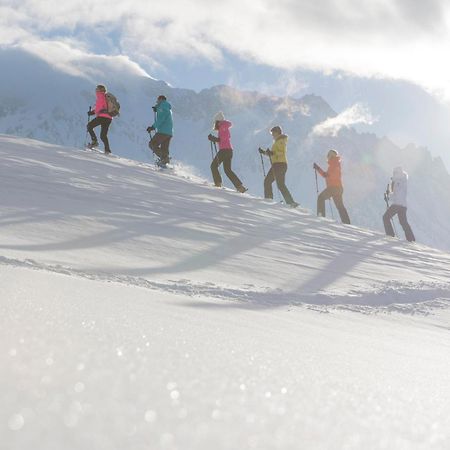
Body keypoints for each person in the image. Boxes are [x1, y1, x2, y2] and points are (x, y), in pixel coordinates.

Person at [259, 126, 298, 207]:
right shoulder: (279, 141)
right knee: (280, 184)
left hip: (278, 165)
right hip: (281, 164)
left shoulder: (280, 141)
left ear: (277, 132)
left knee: (267, 181)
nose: (272, 135)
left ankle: (269, 199)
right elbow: (274, 153)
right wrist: (264, 152)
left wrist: (272, 153)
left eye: (273, 133)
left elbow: (281, 152)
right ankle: (291, 202)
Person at [207, 112, 247, 193]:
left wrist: (214, 139)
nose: (215, 124)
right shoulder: (224, 126)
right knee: (228, 170)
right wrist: (214, 139)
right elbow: (223, 139)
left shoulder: (223, 127)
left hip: (224, 150)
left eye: (215, 122)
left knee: (213, 166)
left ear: (218, 121)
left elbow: (223, 139)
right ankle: (240, 187)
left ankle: (218, 183)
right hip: (229, 151)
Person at [313, 149, 351, 224]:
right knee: (340, 206)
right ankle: (346, 222)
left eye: (328, 155)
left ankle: (321, 216)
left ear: (331, 156)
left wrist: (319, 169)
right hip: (338, 188)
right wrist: (318, 169)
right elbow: (327, 175)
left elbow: (330, 174)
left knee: (321, 198)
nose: (327, 157)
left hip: (333, 188)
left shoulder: (334, 163)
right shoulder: (335, 163)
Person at [383, 167, 415, 242]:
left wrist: (388, 196)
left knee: (386, 217)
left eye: (394, 172)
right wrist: (389, 195)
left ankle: (390, 234)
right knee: (403, 222)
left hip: (397, 204)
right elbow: (397, 194)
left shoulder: (398, 181)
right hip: (403, 205)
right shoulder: (402, 180)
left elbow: (396, 195)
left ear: (397, 173)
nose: (393, 174)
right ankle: (411, 239)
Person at [147, 95, 173, 167]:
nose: (157, 101)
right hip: (169, 132)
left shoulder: (162, 106)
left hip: (163, 131)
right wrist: (157, 109)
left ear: (161, 99)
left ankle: (164, 159)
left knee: (152, 144)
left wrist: (152, 127)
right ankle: (165, 163)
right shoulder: (167, 107)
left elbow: (161, 119)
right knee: (164, 149)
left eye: (157, 100)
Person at [87, 84, 112, 154]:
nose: (95, 90)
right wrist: (93, 112)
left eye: (97, 89)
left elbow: (98, 109)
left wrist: (91, 112)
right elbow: (102, 108)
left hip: (102, 117)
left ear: (100, 90)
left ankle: (94, 142)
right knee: (103, 135)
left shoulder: (100, 96)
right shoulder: (106, 97)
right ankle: (107, 150)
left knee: (89, 126)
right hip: (109, 118)